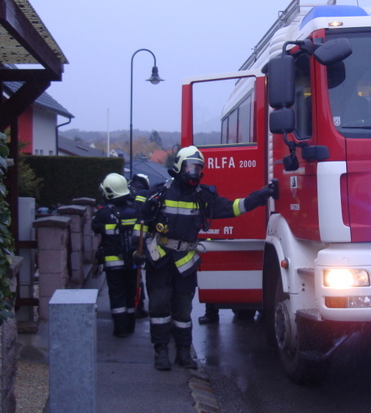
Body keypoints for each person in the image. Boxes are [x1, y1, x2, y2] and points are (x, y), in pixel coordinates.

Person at [136, 146, 276, 370]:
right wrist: (138, 249)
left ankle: (183, 353)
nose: (194, 172)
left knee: (183, 311)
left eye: (198, 168)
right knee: (159, 307)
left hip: (185, 263)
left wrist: (260, 196)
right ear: (179, 166)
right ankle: (161, 352)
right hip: (159, 260)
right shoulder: (160, 193)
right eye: (190, 167)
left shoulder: (204, 196)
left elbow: (232, 208)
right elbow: (141, 224)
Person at [92, 173, 140, 338]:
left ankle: (120, 329)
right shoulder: (134, 210)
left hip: (113, 263)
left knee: (117, 294)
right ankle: (130, 325)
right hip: (133, 261)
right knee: (131, 293)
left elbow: (95, 226)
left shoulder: (103, 213)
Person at [128, 173, 151, 319]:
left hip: (123, 237)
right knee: (138, 272)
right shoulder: (145, 193)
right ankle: (139, 305)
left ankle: (130, 304)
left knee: (129, 273)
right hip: (139, 235)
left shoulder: (126, 189)